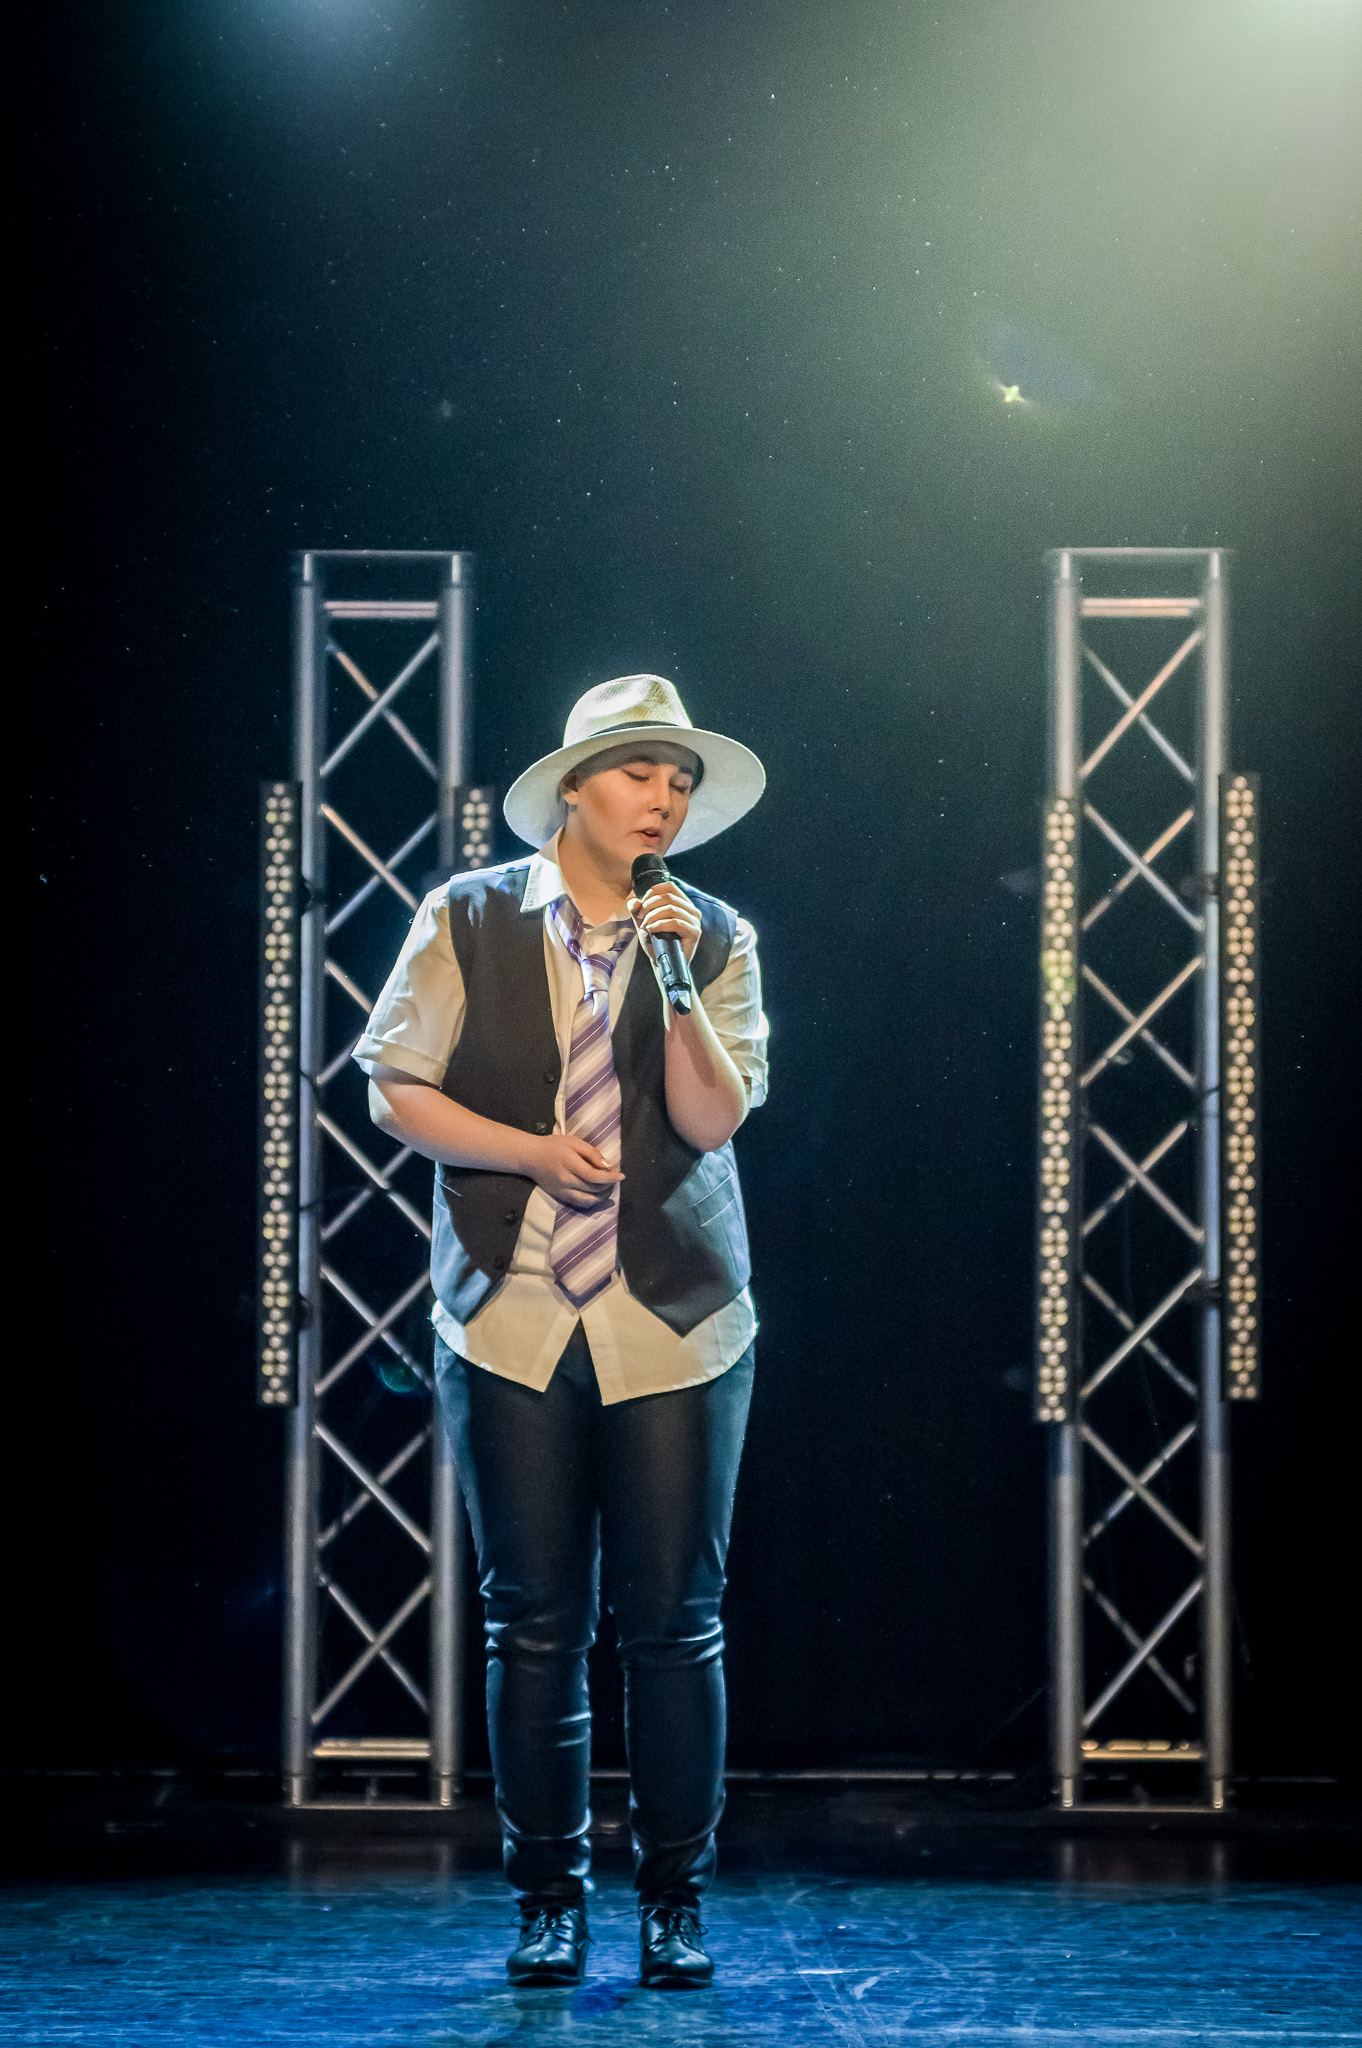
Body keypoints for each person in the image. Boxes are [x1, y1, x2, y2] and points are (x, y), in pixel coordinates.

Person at [355, 673, 768, 1988]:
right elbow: (394, 1088)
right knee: (531, 1623)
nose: (664, 798)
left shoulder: (712, 933)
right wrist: (530, 1152)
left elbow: (712, 1120)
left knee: (675, 1625)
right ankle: (548, 1901)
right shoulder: (467, 914)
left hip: (674, 1317)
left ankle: (674, 1902)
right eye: (641, 772)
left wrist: (676, 980)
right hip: (513, 1309)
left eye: (680, 781)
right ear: (574, 788)